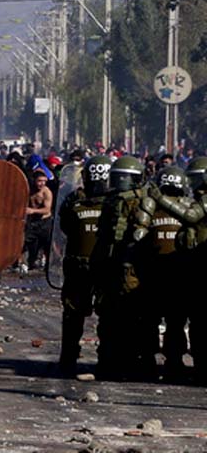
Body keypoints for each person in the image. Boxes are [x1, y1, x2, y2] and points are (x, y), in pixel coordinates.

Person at [147, 156, 207, 383]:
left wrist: (160, 199)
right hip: (191, 269)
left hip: (196, 269)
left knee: (193, 321)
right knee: (187, 320)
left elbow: (191, 217)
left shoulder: (200, 203)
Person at [93, 155, 148, 381]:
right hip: (117, 265)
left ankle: (121, 361)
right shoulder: (117, 201)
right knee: (115, 314)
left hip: (125, 265)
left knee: (124, 314)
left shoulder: (137, 201)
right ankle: (116, 361)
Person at [135, 166, 190, 380]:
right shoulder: (186, 211)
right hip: (170, 276)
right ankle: (171, 363)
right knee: (173, 322)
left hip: (158, 275)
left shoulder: (150, 209)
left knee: (156, 321)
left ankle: (152, 362)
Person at [57, 155, 111, 375]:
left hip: (81, 266)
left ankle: (69, 358)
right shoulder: (115, 202)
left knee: (75, 316)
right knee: (105, 315)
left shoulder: (74, 202)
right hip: (102, 267)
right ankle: (105, 360)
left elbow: (67, 228)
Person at [23, 171, 54, 270]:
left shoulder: (46, 192)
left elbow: (47, 209)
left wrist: (33, 211)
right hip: (32, 222)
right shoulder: (29, 190)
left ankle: (48, 266)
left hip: (45, 222)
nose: (42, 183)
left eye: (44, 181)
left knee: (47, 245)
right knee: (25, 242)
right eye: (40, 181)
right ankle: (27, 263)